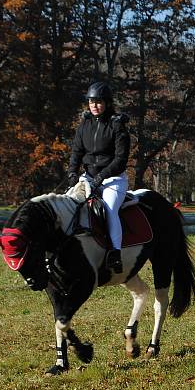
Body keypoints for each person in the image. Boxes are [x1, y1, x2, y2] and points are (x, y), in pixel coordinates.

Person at [67, 81, 130, 273]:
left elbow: (121, 159)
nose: (94, 105)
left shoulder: (117, 125)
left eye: (99, 101)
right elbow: (76, 152)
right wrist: (72, 172)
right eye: (91, 101)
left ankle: (115, 254)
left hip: (113, 180)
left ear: (107, 103)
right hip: (88, 178)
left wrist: (102, 176)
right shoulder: (84, 125)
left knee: (110, 210)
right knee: (68, 203)